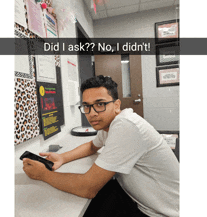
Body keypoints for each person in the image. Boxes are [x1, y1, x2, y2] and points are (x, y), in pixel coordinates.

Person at [23, 75, 179, 217]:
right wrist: (62, 157)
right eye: (86, 106)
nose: (92, 113)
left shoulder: (126, 126)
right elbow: (92, 146)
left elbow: (87, 188)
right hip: (137, 198)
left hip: (161, 212)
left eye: (100, 104)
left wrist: (42, 174)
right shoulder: (110, 124)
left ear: (117, 105)